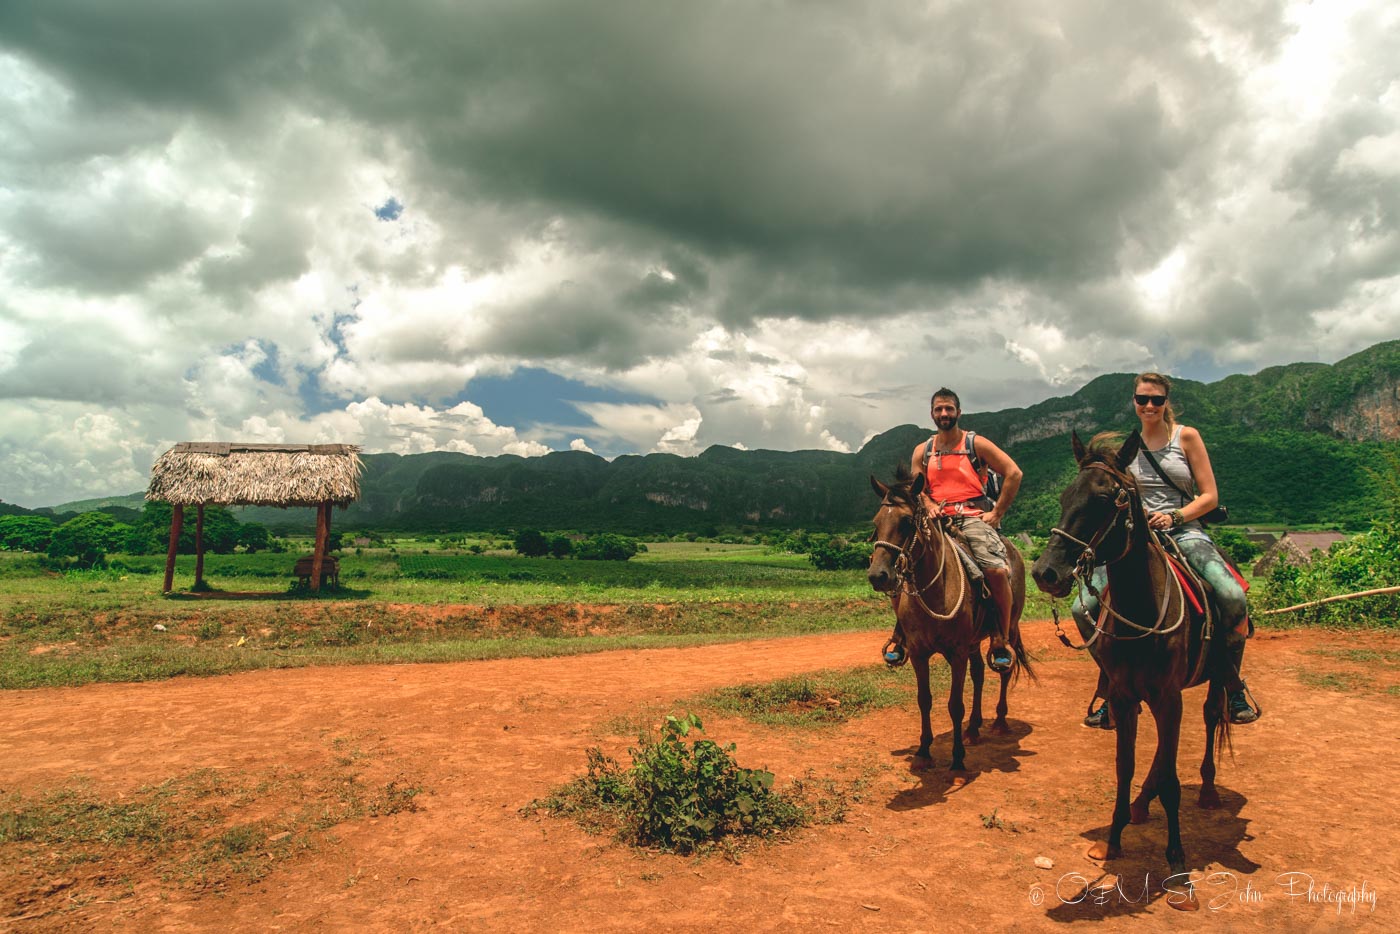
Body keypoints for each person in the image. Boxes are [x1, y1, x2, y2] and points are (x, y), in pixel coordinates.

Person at [1077, 371, 1259, 728]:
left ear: (1166, 403)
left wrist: (1174, 516)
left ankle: (1231, 684)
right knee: (1082, 608)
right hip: (1137, 538)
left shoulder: (1185, 437)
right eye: (1142, 399)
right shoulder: (1124, 451)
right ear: (1133, 402)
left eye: (1156, 400)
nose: (1149, 406)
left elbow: (1209, 496)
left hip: (1185, 531)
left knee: (1232, 595)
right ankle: (1113, 685)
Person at [885, 388, 1024, 672]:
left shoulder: (976, 444)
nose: (944, 414)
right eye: (939, 409)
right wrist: (929, 502)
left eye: (949, 409)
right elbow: (916, 490)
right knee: (899, 566)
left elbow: (1014, 473)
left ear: (959, 412)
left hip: (972, 517)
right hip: (934, 518)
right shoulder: (923, 451)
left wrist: (997, 513)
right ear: (932, 413)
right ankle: (901, 634)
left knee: (996, 570)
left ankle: (1001, 636)